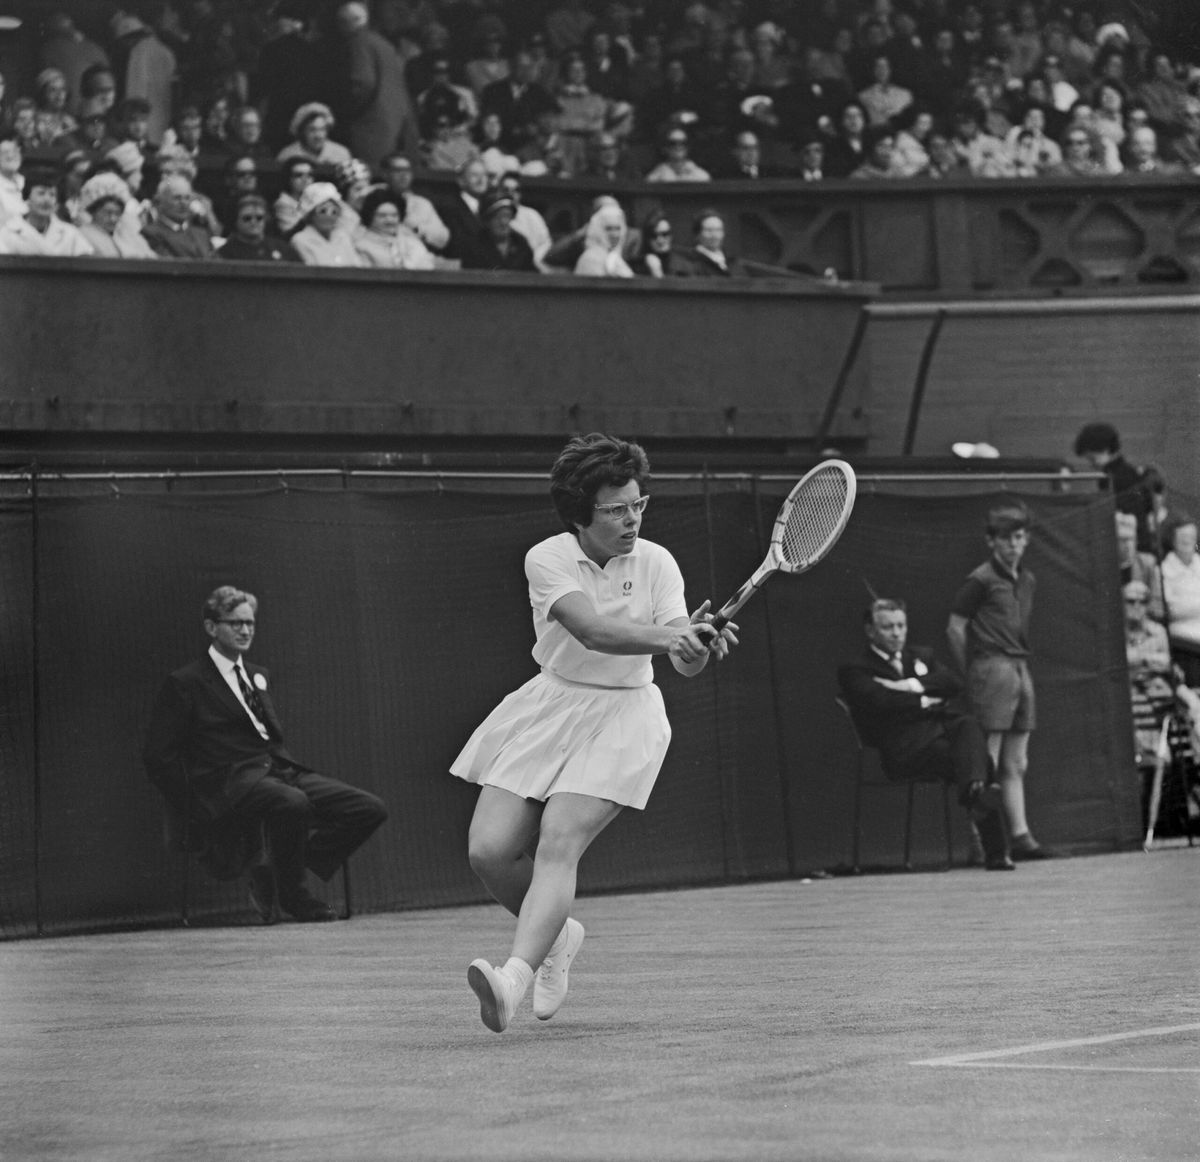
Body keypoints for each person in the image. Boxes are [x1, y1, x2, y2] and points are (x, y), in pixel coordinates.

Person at [452, 433, 737, 1031]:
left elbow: (683, 662)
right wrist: (671, 637)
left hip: (626, 715)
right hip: (550, 705)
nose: (631, 519)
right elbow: (591, 631)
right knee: (488, 850)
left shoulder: (657, 562)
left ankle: (512, 981)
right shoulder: (547, 557)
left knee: (559, 842)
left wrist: (696, 645)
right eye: (615, 509)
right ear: (581, 512)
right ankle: (557, 936)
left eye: (638, 504)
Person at [143, 586, 388, 924]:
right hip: (230, 782)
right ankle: (295, 896)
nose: (245, 631)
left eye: (250, 624)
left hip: (277, 770)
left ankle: (280, 872)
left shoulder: (258, 674)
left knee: (368, 808)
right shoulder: (187, 682)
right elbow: (158, 756)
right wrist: (194, 802)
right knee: (292, 803)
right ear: (212, 628)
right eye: (235, 623)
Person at [838, 597, 1012, 870]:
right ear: (871, 631)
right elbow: (879, 701)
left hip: (939, 737)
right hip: (904, 750)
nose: (896, 633)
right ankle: (991, 837)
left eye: (901, 626)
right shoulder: (855, 668)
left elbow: (952, 683)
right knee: (978, 759)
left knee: (968, 728)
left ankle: (978, 801)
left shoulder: (921, 656)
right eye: (887, 628)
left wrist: (909, 685)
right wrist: (924, 699)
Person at [947, 502, 1053, 861]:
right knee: (986, 761)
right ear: (991, 542)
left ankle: (1020, 836)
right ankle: (982, 843)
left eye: (1020, 538)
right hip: (991, 669)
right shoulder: (980, 580)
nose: (1014, 545)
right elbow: (956, 627)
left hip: (1020, 669)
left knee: (1016, 762)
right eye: (1006, 539)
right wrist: (973, 670)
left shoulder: (1027, 579)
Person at [1073, 422, 1158, 553]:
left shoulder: (1114, 478)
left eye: (1093, 458)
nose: (1092, 464)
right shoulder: (1129, 472)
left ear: (1105, 450)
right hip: (1138, 542)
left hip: (1130, 545)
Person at [0, 166, 93, 257]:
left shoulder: (69, 232)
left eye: (52, 195)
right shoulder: (8, 232)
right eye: (41, 193)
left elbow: (86, 259)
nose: (47, 200)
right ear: (27, 198)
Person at [379, 152, 449, 252]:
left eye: (408, 171)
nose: (404, 175)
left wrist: (417, 229)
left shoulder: (422, 203)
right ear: (385, 174)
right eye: (398, 170)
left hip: (415, 258)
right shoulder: (372, 197)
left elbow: (442, 238)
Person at [76, 173, 155, 259]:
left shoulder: (126, 233)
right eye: (107, 212)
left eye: (117, 213)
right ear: (93, 211)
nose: (113, 219)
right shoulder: (83, 235)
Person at [353, 187, 436, 269]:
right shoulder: (361, 246)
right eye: (382, 216)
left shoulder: (412, 243)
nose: (389, 220)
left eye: (394, 215)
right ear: (370, 217)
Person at [458, 188, 537, 272]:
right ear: (486, 220)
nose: (503, 222)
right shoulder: (473, 245)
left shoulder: (521, 243)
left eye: (507, 216)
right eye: (497, 217)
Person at [1161, 517, 1200, 685]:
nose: (1187, 541)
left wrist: (1188, 604)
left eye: (1191, 536)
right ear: (1173, 540)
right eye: (1182, 537)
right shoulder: (1165, 569)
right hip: (1185, 644)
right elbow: (1171, 610)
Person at [140, 174, 216, 260]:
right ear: (161, 202)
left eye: (187, 198)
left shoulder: (202, 234)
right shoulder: (150, 233)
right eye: (177, 198)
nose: (183, 203)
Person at [289, 182, 363, 268]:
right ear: (310, 214)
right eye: (323, 211)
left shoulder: (344, 237)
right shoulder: (300, 240)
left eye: (334, 212)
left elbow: (358, 268)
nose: (329, 216)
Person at [216, 193, 299, 263]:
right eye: (247, 218)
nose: (253, 222)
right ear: (236, 221)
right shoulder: (224, 253)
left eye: (259, 218)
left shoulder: (283, 248)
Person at [573, 202, 633, 277]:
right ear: (598, 230)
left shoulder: (614, 257)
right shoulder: (590, 258)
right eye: (608, 229)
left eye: (618, 228)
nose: (615, 234)